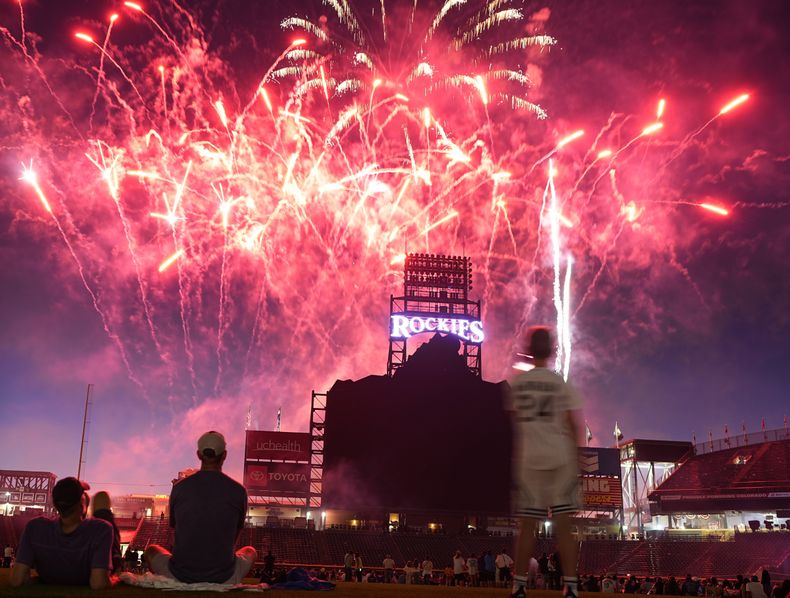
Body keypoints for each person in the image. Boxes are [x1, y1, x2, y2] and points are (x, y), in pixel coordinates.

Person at [508, 326, 583, 598]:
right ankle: (571, 587)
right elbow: (572, 424)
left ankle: (518, 586)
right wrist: (576, 460)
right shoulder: (559, 382)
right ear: (552, 350)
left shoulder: (518, 383)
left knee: (527, 525)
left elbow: (516, 421)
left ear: (529, 350)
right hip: (559, 457)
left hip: (529, 458)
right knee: (563, 525)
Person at [144, 431, 257, 583]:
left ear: (199, 454)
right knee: (250, 551)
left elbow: (175, 531)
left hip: (180, 575)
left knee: (151, 550)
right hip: (224, 576)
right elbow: (234, 537)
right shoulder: (239, 491)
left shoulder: (179, 488)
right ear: (224, 455)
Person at [10, 477, 113, 589]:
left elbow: (17, 580)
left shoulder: (35, 527)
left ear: (55, 504)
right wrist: (116, 580)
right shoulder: (101, 529)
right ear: (81, 504)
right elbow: (99, 584)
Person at [91, 490, 122, 573]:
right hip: (109, 568)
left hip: (93, 567)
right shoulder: (111, 524)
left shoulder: (91, 523)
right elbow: (115, 548)